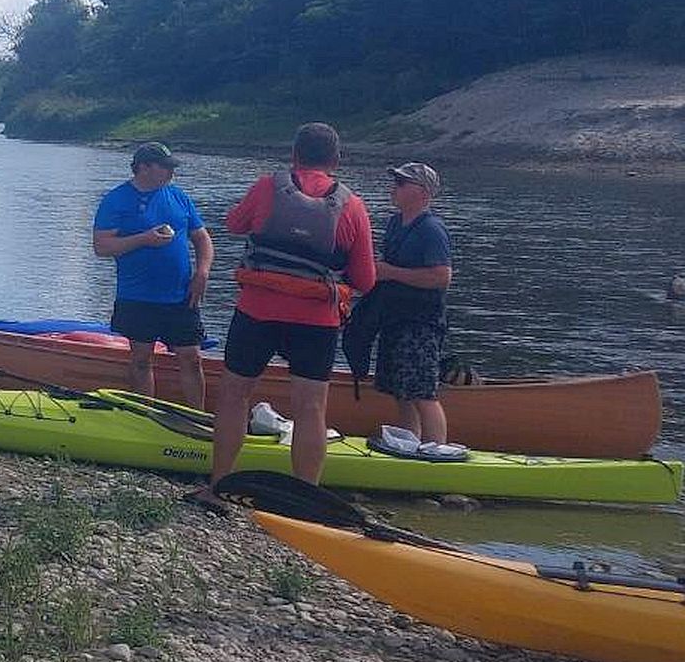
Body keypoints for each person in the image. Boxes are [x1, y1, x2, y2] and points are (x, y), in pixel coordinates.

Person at [196, 122, 376, 509]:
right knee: (311, 408)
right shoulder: (353, 206)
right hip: (316, 322)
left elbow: (233, 224)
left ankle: (219, 486)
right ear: (336, 160)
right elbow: (365, 279)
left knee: (234, 396)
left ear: (294, 155)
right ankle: (305, 500)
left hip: (257, 313)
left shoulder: (267, 187)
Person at [91, 142, 213, 407]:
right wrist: (143, 239)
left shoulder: (178, 196)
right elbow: (102, 247)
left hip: (181, 294)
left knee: (192, 358)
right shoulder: (116, 200)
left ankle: (197, 418)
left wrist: (202, 272)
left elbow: (202, 238)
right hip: (137, 296)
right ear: (143, 168)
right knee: (141, 359)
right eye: (165, 167)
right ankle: (143, 417)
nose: (171, 173)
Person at [367, 162, 454, 443]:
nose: (395, 189)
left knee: (422, 392)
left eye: (402, 184)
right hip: (394, 317)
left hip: (421, 323)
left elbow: (442, 277)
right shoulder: (395, 223)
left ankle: (436, 450)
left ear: (423, 192)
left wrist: (390, 273)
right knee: (399, 390)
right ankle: (409, 444)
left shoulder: (431, 229)